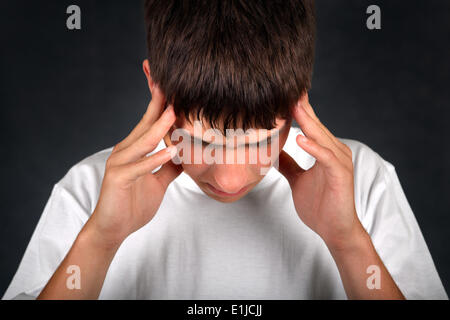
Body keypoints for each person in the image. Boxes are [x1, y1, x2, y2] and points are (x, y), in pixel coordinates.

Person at [3, 0, 447, 300]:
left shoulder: (362, 181)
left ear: (299, 99)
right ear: (155, 87)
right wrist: (100, 239)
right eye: (201, 141)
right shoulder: (88, 191)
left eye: (259, 141)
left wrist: (348, 241)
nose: (230, 178)